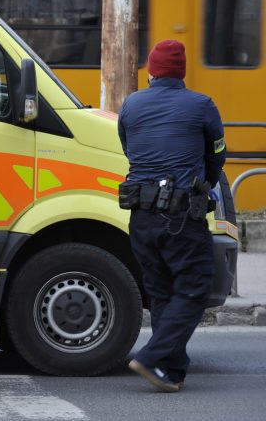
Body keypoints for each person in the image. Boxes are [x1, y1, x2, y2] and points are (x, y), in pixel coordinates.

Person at [118, 39, 226, 393]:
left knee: (162, 290)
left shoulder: (131, 105)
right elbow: (217, 156)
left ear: (151, 71)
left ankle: (172, 370)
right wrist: (205, 184)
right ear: (181, 73)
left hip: (141, 218)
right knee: (195, 287)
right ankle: (151, 356)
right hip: (181, 216)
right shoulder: (202, 106)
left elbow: (127, 148)